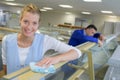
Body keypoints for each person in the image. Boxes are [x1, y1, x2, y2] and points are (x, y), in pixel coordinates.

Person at [1, 3, 81, 78]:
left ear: (38, 24)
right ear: (20, 20)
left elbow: (77, 52)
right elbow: (5, 66)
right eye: (26, 21)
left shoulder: (45, 40)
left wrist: (56, 58)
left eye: (34, 23)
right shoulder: (7, 40)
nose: (29, 27)